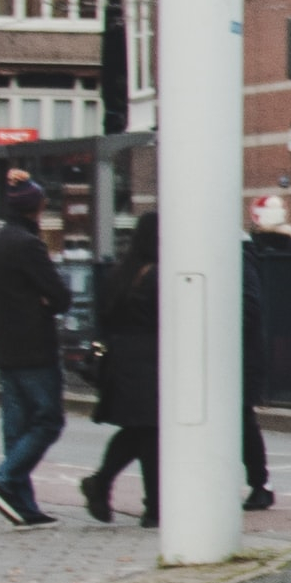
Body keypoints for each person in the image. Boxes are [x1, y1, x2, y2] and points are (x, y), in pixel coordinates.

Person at [0, 177, 74, 526]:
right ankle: (3, 479)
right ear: (37, 207)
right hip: (35, 348)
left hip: (5, 348)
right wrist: (47, 303)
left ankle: (23, 505)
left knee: (17, 429)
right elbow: (60, 296)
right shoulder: (28, 245)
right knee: (49, 421)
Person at [76, 214, 161, 527]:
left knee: (138, 431)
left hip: (122, 362)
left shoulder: (119, 275)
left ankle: (101, 483)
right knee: (150, 432)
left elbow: (105, 318)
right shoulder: (157, 277)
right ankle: (153, 507)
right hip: (149, 363)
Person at [239, 197, 291, 511]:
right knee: (242, 420)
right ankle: (259, 482)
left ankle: (260, 482)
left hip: (240, 355)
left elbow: (248, 305)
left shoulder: (242, 257)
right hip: (243, 352)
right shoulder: (249, 254)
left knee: (242, 420)